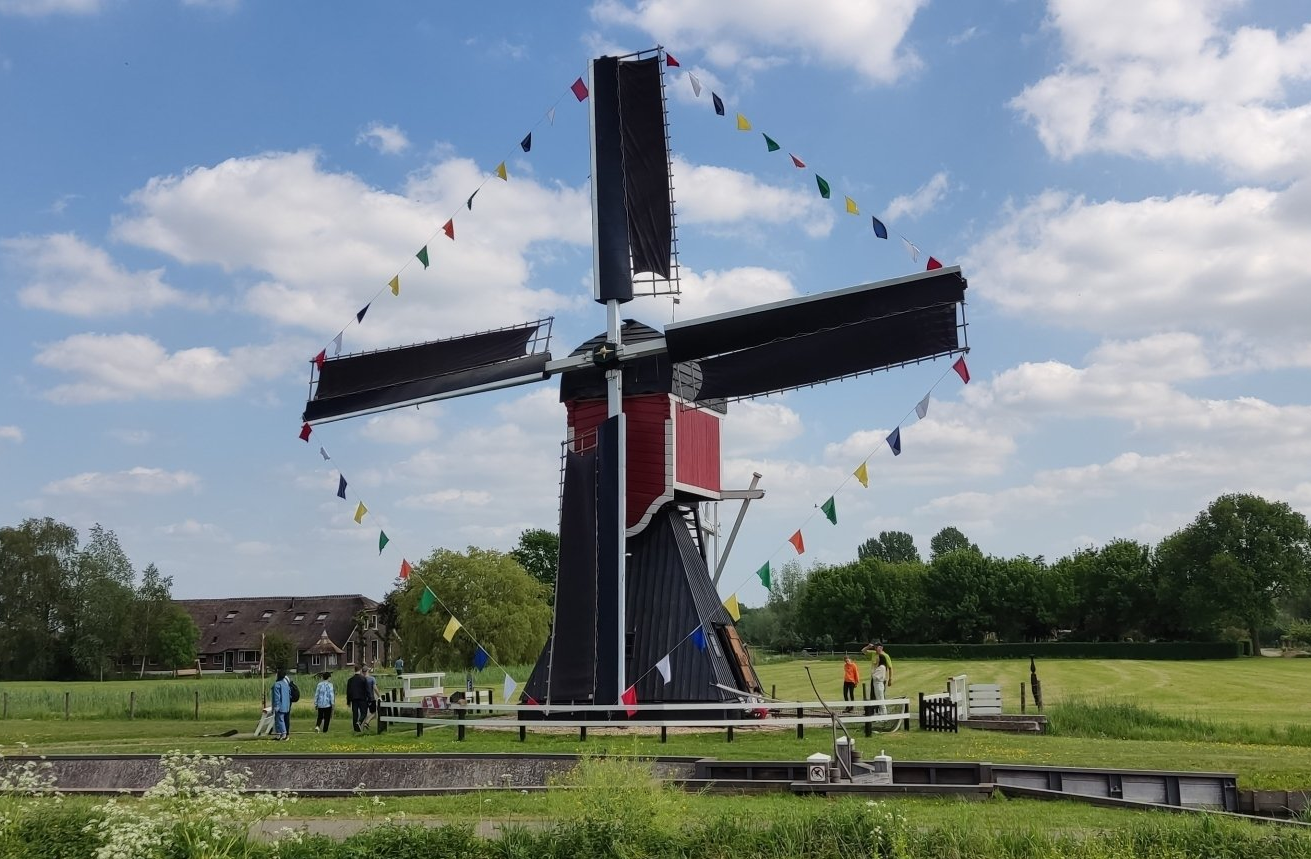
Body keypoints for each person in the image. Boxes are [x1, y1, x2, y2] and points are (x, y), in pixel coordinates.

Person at [346, 664, 370, 733]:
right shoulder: (363, 679)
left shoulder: (350, 680)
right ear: (360, 670)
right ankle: (359, 722)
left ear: (354, 670)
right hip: (362, 698)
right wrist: (369, 698)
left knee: (355, 714)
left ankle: (356, 729)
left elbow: (348, 692)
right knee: (364, 712)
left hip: (354, 699)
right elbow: (367, 689)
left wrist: (348, 701)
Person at [270, 669, 291, 740]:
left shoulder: (277, 685)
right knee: (278, 720)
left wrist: (276, 706)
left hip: (279, 706)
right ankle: (278, 735)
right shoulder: (286, 684)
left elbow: (276, 697)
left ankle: (284, 734)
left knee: (280, 720)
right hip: (286, 705)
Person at [359, 666, 380, 731]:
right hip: (371, 698)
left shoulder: (360, 679)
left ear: (362, 672)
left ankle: (361, 728)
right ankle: (367, 722)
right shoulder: (372, 679)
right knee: (374, 713)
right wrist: (379, 696)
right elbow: (375, 688)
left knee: (364, 713)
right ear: (367, 671)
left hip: (363, 699)